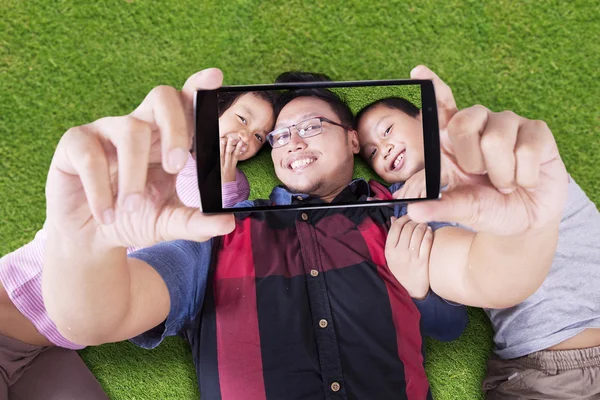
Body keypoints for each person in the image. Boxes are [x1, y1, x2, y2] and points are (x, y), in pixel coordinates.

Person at [34, 63, 567, 400]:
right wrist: (83, 235)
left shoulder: (401, 215)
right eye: (280, 136)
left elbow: (488, 277)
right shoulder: (219, 232)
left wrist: (528, 226)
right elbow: (102, 316)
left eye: (310, 126)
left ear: (353, 143)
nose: (290, 142)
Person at [0, 83, 276, 399]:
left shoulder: (236, 188)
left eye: (258, 136)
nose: (246, 136)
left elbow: (211, 238)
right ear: (215, 112)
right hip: (15, 307)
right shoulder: (161, 163)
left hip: (53, 344)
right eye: (242, 119)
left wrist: (222, 180)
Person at [356, 94, 600, 399]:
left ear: (423, 118)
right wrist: (416, 291)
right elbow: (450, 326)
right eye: (373, 153)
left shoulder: (501, 152)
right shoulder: (413, 215)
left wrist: (448, 164)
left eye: (387, 130)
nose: (385, 149)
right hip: (547, 368)